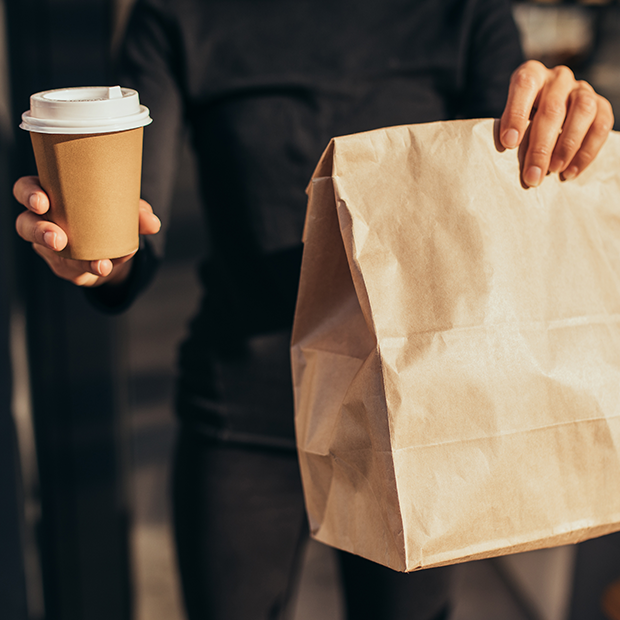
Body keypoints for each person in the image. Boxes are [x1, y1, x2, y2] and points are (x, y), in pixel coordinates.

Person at [13, 1, 614, 618]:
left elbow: (520, 175)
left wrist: (563, 115)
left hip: (418, 418)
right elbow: (141, 229)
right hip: (241, 417)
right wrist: (97, 255)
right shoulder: (178, 13)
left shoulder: (464, 10)